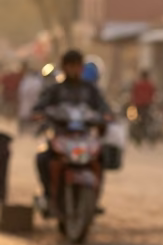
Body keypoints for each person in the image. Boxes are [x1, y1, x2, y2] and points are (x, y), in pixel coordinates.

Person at [32, 49, 112, 207]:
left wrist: (106, 116)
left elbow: (104, 108)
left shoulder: (90, 90)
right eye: (70, 66)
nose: (74, 70)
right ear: (64, 67)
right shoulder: (55, 89)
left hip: (84, 137)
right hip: (61, 135)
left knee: (101, 158)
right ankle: (49, 194)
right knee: (43, 158)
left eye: (77, 66)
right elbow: (39, 107)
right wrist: (40, 114)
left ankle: (95, 199)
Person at [17, 63, 43, 133]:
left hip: (27, 111)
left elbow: (20, 94)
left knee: (25, 132)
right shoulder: (38, 82)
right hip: (33, 112)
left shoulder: (25, 81)